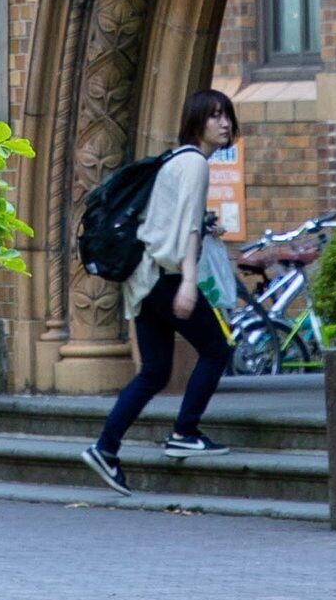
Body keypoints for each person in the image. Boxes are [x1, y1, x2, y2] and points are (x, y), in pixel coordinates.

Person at [82, 88, 238, 492]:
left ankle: (106, 448)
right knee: (218, 349)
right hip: (166, 277)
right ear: (197, 121)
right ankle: (185, 432)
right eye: (214, 116)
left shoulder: (174, 160)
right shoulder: (195, 165)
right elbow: (185, 226)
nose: (223, 124)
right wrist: (188, 281)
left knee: (154, 372)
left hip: (142, 279)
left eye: (227, 116)